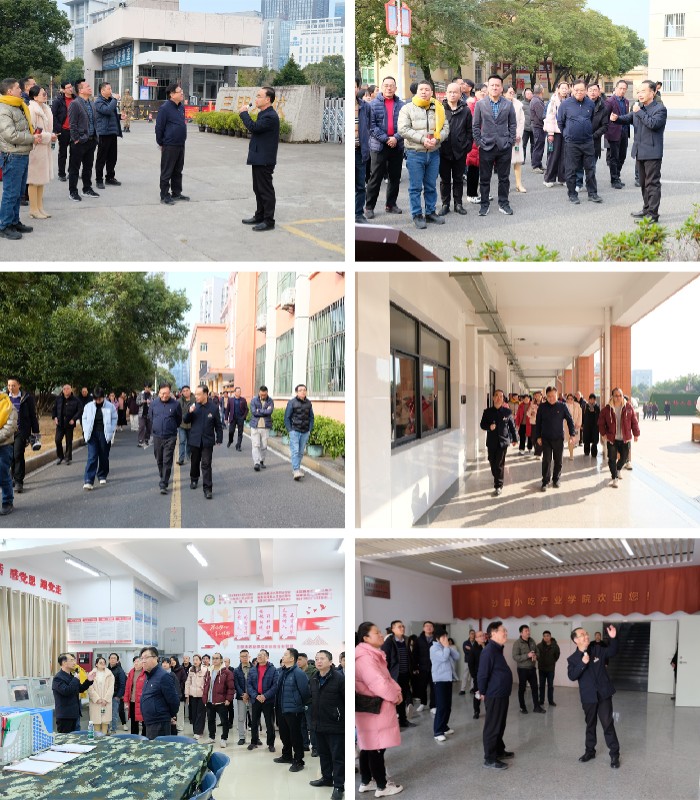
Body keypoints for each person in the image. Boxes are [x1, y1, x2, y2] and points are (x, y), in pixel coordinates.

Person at [355, 622, 404, 797]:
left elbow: (386, 678)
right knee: (376, 747)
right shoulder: (365, 658)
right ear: (366, 638)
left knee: (368, 746)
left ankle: (367, 781)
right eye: (376, 632)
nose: (381, 634)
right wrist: (395, 696)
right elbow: (379, 683)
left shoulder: (370, 655)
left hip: (371, 709)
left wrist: (397, 690)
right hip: (374, 708)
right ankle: (382, 786)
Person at [610, 80, 668, 224]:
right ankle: (646, 209)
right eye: (638, 91)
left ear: (653, 93)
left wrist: (639, 112)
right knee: (643, 183)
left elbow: (653, 124)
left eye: (643, 91)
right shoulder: (639, 108)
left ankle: (653, 214)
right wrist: (616, 119)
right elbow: (628, 119)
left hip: (652, 152)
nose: (640, 94)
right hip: (639, 151)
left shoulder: (660, 109)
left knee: (652, 184)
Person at [397, 80, 449, 229]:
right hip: (415, 153)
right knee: (415, 187)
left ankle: (431, 212)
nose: (424, 92)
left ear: (431, 92)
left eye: (427, 89)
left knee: (431, 186)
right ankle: (417, 214)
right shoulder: (407, 108)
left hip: (433, 153)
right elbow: (403, 129)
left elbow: (445, 127)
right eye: (421, 89)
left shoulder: (438, 107)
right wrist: (422, 140)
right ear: (417, 91)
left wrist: (437, 139)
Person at [567, 624, 621, 767]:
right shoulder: (573, 659)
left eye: (586, 634)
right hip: (588, 697)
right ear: (575, 640)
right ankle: (590, 751)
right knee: (590, 725)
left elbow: (613, 651)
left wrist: (613, 638)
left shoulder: (597, 649)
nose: (586, 636)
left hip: (604, 694)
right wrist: (582, 663)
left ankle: (614, 754)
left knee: (607, 724)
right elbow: (572, 676)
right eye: (582, 635)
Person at [0, 78, 43, 240]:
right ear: (9, 91)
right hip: (13, 155)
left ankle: (14, 221)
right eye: (18, 88)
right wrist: (32, 138)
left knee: (18, 193)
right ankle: (4, 226)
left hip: (22, 154)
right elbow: (10, 135)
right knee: (10, 193)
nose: (21, 90)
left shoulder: (17, 105)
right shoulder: (4, 109)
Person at [472, 74, 517, 217]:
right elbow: (475, 126)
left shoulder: (508, 104)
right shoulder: (480, 104)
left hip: (504, 146)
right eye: (492, 85)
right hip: (486, 146)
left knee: (504, 178)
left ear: (501, 88)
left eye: (497, 85)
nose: (495, 87)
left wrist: (510, 141)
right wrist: (479, 142)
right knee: (485, 178)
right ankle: (484, 204)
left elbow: (513, 124)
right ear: (488, 87)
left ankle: (504, 203)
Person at [238, 86, 280, 231]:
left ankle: (269, 221)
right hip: (258, 157)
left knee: (265, 190)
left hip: (264, 159)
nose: (256, 99)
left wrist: (244, 113)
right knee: (258, 189)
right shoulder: (263, 113)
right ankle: (260, 215)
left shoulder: (270, 116)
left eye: (259, 96)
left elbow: (254, 127)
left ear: (267, 99)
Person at [364, 76, 405, 220]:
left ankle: (391, 204)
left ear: (395, 88)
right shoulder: (372, 105)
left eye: (391, 85)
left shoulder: (401, 105)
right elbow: (372, 126)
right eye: (386, 85)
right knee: (375, 177)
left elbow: (405, 125)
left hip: (396, 144)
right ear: (381, 87)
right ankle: (369, 207)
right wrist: (386, 139)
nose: (389, 88)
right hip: (379, 146)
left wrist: (396, 138)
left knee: (395, 177)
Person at [557, 80, 603, 205]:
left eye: (582, 90)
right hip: (572, 143)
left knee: (590, 169)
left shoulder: (590, 104)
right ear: (572, 89)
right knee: (571, 170)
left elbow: (591, 119)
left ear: (585, 90)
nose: (579, 92)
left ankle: (592, 193)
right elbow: (560, 122)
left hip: (588, 142)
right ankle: (572, 194)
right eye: (576, 90)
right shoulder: (565, 104)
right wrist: (567, 134)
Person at [477, 620, 514, 769]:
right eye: (503, 631)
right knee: (492, 726)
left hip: (501, 693)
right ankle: (490, 758)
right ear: (493, 633)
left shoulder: (497, 649)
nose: (506, 633)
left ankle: (499, 750)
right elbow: (482, 674)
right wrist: (483, 692)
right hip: (494, 694)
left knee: (500, 724)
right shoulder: (489, 651)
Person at [309, 650, 344, 800]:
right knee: (323, 754)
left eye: (322, 658)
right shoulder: (314, 678)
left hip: (336, 724)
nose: (318, 661)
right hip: (318, 723)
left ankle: (339, 786)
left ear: (330, 662)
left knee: (337, 756)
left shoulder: (339, 679)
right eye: (317, 658)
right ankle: (327, 778)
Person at [437, 82, 472, 216]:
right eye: (450, 92)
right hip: (443, 150)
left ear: (460, 94)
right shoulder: (440, 109)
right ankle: (445, 204)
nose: (452, 94)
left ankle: (458, 204)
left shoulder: (465, 110)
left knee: (458, 179)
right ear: (446, 93)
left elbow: (469, 131)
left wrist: (466, 146)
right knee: (445, 180)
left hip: (460, 151)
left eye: (455, 92)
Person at [274, 648, 311, 772]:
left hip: (293, 710)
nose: (283, 656)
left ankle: (299, 760)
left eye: (285, 655)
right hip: (281, 708)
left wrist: (298, 704)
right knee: (284, 734)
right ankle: (287, 756)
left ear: (291, 658)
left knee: (295, 736)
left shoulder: (298, 673)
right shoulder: (282, 672)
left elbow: (305, 692)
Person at [183, 384, 223, 499]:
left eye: (198, 394)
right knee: (195, 462)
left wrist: (219, 438)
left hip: (207, 441)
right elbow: (185, 420)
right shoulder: (194, 406)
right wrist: (189, 412)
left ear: (205, 394)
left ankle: (208, 488)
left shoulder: (213, 408)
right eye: (195, 394)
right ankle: (194, 479)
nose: (196, 396)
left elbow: (218, 425)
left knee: (206, 464)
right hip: (195, 440)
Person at [598, 387, 640, 488]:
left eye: (620, 395)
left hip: (625, 438)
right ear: (612, 396)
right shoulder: (607, 409)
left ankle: (618, 469)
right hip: (612, 439)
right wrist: (603, 434)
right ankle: (615, 478)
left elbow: (634, 421)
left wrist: (636, 434)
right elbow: (600, 423)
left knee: (624, 458)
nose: (618, 397)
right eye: (616, 395)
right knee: (612, 459)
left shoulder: (628, 407)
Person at [535, 386, 575, 491]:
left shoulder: (562, 406)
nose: (551, 398)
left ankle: (556, 479)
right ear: (546, 396)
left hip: (558, 438)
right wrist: (538, 436)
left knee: (558, 460)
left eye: (553, 396)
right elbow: (538, 423)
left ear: (557, 395)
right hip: (546, 438)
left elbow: (570, 420)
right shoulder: (542, 407)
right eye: (549, 396)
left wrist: (572, 434)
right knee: (546, 460)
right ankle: (545, 481)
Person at [480, 389, 518, 496]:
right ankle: (497, 477)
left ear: (503, 399)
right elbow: (482, 425)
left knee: (499, 464)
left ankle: (498, 486)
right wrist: (489, 427)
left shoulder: (507, 412)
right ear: (493, 398)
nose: (498, 398)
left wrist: (515, 439)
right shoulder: (487, 412)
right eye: (496, 395)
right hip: (491, 442)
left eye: (501, 396)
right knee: (492, 462)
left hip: (503, 442)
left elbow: (512, 427)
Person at [26, 85, 56, 219]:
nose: (45, 95)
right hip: (35, 148)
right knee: (34, 179)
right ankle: (33, 209)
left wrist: (51, 136)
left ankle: (40, 207)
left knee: (41, 179)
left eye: (45, 93)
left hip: (44, 147)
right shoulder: (31, 109)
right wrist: (49, 136)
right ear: (35, 96)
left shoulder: (45, 108)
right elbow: (33, 130)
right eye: (43, 94)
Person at [155, 83, 189, 205]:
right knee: (167, 171)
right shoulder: (165, 108)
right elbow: (159, 127)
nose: (182, 93)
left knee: (178, 170)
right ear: (172, 94)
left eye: (182, 91)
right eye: (180, 92)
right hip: (169, 144)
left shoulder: (181, 107)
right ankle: (164, 195)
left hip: (180, 143)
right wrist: (161, 142)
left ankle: (176, 192)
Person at [67, 77, 100, 202]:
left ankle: (87, 188)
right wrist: (76, 139)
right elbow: (72, 124)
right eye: (87, 87)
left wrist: (96, 137)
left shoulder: (91, 103)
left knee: (88, 167)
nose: (90, 88)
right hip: (79, 142)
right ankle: (73, 191)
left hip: (91, 140)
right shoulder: (75, 104)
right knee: (74, 168)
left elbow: (94, 121)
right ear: (80, 90)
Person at [6, 377, 40, 495]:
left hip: (21, 431)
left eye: (13, 385)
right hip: (8, 432)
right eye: (9, 385)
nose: (11, 388)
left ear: (19, 385)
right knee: (10, 456)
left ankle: (19, 481)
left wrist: (36, 432)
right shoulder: (5, 398)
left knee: (18, 454)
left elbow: (32, 415)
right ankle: (12, 477)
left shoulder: (26, 398)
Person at [139, 646, 180, 740]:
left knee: (158, 748)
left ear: (155, 658)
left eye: (146, 657)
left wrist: (169, 715)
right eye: (142, 658)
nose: (143, 661)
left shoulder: (163, 676)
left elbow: (174, 701)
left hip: (159, 723)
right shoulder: (148, 675)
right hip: (149, 722)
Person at [381, 620, 416, 729]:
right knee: (394, 699)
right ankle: (394, 723)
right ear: (393, 629)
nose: (402, 628)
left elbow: (410, 656)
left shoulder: (406, 640)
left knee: (403, 697)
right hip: (395, 675)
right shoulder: (389, 642)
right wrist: (386, 676)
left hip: (406, 673)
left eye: (403, 626)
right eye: (399, 627)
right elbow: (385, 660)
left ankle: (403, 721)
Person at [149, 382, 182, 495]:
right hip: (157, 436)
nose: (164, 395)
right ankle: (162, 475)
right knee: (159, 459)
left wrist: (171, 427)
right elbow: (151, 417)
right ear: (159, 393)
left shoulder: (175, 404)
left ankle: (164, 483)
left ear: (170, 393)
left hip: (170, 436)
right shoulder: (153, 404)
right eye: (162, 393)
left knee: (167, 460)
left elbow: (178, 420)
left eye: (166, 393)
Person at [81, 387, 117, 490]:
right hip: (92, 434)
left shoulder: (110, 406)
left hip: (104, 434)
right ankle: (88, 480)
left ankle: (102, 475)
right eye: (96, 399)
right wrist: (85, 429)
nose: (98, 401)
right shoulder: (88, 406)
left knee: (103, 456)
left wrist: (111, 429)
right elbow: (84, 418)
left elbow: (114, 418)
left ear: (103, 397)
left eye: (99, 399)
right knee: (92, 456)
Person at [52, 653, 96, 733]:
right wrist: (76, 679)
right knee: (65, 739)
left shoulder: (71, 676)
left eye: (74, 660)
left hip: (74, 714)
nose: (74, 663)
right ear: (64, 663)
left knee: (75, 738)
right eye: (71, 660)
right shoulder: (58, 678)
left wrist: (88, 681)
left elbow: (80, 689)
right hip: (65, 716)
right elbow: (66, 691)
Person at [430, 628, 459, 743]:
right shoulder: (433, 648)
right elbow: (443, 657)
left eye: (446, 636)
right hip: (439, 680)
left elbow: (457, 657)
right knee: (441, 706)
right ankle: (437, 731)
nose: (446, 639)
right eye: (443, 637)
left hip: (448, 679)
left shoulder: (445, 647)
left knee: (447, 706)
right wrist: (446, 647)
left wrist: (448, 647)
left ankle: (444, 726)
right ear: (437, 639)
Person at [247, 648, 278, 752]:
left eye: (262, 654)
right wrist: (256, 696)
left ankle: (271, 744)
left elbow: (275, 685)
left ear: (267, 657)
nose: (259, 656)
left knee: (269, 723)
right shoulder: (252, 670)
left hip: (268, 700)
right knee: (254, 722)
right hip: (256, 700)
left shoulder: (273, 670)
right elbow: (249, 685)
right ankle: (254, 741)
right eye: (258, 654)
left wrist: (265, 696)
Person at [94, 81, 123, 189]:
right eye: (109, 89)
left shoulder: (110, 101)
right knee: (101, 158)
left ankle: (110, 177)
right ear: (102, 91)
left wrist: (120, 117)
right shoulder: (98, 102)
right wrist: (115, 99)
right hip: (104, 133)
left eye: (111, 89)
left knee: (112, 157)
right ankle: (99, 179)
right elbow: (106, 111)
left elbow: (111, 114)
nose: (111, 91)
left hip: (112, 133)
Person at [202, 652, 234, 749]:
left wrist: (228, 699)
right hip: (210, 701)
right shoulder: (209, 671)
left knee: (224, 721)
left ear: (221, 660)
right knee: (211, 720)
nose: (214, 660)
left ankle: (224, 739)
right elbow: (206, 685)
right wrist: (205, 698)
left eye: (217, 658)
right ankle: (211, 737)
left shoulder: (227, 672)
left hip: (221, 701)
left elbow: (231, 688)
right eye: (213, 658)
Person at [512, 624, 546, 714]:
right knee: (522, 689)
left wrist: (536, 656)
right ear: (521, 633)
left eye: (528, 630)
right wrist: (527, 655)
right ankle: (522, 707)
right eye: (526, 631)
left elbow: (537, 651)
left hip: (532, 668)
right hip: (522, 669)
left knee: (535, 688)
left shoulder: (532, 641)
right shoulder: (517, 643)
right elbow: (515, 657)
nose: (528, 632)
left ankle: (536, 707)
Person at [284, 384, 314, 481]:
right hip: (295, 430)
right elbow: (287, 418)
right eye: (300, 390)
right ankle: (296, 470)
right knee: (295, 450)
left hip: (305, 431)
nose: (303, 392)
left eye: (304, 390)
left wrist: (309, 429)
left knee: (301, 452)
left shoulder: (309, 403)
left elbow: (311, 417)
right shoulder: (291, 402)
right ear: (296, 392)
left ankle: (296, 468)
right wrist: (290, 430)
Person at [543, 81, 570, 187]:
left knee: (564, 156)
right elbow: (550, 118)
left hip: (565, 131)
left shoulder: (569, 100)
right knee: (553, 155)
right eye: (562, 88)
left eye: (566, 88)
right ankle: (549, 178)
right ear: (558, 89)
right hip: (554, 132)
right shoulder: (553, 101)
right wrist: (550, 133)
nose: (564, 90)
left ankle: (562, 178)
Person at [605, 80, 630, 190]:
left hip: (624, 132)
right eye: (620, 88)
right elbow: (605, 118)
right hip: (614, 133)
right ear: (615, 88)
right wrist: (607, 131)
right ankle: (614, 179)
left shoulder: (626, 101)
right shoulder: (609, 101)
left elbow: (627, 117)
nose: (622, 90)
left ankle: (617, 176)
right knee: (614, 157)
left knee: (622, 156)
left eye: (624, 89)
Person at [51, 80, 75, 183]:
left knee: (74, 153)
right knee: (63, 153)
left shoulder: (76, 99)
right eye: (68, 87)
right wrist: (58, 129)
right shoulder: (58, 101)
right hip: (64, 130)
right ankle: (61, 174)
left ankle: (72, 172)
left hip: (74, 130)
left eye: (71, 87)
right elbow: (53, 115)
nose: (70, 89)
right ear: (63, 90)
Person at [504, 86, 526, 193]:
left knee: (517, 161)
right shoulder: (501, 104)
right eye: (510, 92)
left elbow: (522, 121)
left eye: (513, 92)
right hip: (504, 137)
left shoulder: (518, 104)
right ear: (504, 93)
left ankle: (518, 184)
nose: (512, 94)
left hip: (517, 137)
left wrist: (518, 134)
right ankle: (505, 184)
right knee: (505, 162)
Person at [52, 384, 81, 465]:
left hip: (69, 424)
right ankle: (60, 456)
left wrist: (74, 419)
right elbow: (54, 409)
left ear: (71, 390)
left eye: (68, 389)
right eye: (64, 389)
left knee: (69, 441)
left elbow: (80, 410)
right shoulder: (58, 399)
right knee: (57, 440)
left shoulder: (76, 400)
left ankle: (68, 457)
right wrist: (55, 417)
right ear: (62, 390)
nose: (66, 390)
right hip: (60, 424)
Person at [355, 87, 372, 222]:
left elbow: (370, 126)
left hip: (360, 151)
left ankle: (358, 214)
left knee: (360, 186)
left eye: (354, 86)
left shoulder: (365, 107)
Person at [0, 391, 17, 516]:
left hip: (4, 445)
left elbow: (10, 428)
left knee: (2, 473)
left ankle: (7, 501)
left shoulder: (9, 406)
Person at [88, 656, 115, 735]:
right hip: (95, 702)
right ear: (96, 664)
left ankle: (104, 737)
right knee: (96, 721)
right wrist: (97, 699)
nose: (103, 664)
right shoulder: (91, 674)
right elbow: (90, 688)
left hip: (106, 702)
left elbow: (111, 688)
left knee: (105, 721)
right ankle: (97, 738)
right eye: (100, 662)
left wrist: (105, 699)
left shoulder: (110, 674)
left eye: (104, 663)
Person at [250, 384, 274, 472]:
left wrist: (259, 410)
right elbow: (253, 412)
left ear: (267, 393)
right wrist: (264, 411)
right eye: (261, 394)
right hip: (255, 426)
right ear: (259, 393)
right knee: (255, 445)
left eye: (264, 395)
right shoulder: (254, 400)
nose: (263, 396)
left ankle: (261, 461)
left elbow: (269, 412)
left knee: (264, 446)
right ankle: (256, 463)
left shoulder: (270, 401)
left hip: (265, 427)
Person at [185, 653, 207, 740]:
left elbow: (207, 683)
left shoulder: (205, 669)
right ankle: (195, 731)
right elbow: (188, 682)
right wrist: (187, 695)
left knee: (200, 714)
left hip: (201, 695)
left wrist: (205, 692)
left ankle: (199, 732)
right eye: (194, 660)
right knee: (194, 713)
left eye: (197, 660)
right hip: (192, 695)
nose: (195, 661)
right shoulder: (191, 669)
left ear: (200, 661)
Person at [233, 649, 252, 745]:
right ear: (239, 658)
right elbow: (236, 684)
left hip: (253, 697)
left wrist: (250, 694)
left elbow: (256, 683)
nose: (244, 658)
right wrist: (243, 694)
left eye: (246, 656)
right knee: (241, 718)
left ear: (249, 657)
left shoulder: (254, 669)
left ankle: (255, 737)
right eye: (242, 656)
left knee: (254, 717)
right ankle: (241, 737)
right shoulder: (236, 670)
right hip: (241, 698)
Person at [124, 655, 147, 735]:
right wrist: (126, 700)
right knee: (133, 721)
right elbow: (127, 687)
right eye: (134, 662)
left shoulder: (146, 672)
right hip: (132, 701)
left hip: (143, 702)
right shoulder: (131, 672)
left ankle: (144, 738)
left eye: (138, 661)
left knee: (144, 721)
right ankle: (134, 737)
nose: (136, 663)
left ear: (142, 662)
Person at [536, 631, 560, 707]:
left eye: (547, 636)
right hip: (542, 669)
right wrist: (540, 661)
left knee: (550, 686)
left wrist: (552, 661)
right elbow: (537, 656)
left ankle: (551, 701)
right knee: (541, 685)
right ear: (543, 637)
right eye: (544, 636)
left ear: (550, 636)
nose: (546, 637)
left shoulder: (555, 646)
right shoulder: (539, 646)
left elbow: (557, 655)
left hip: (550, 669)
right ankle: (541, 700)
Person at [467, 631, 486, 720]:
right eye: (480, 636)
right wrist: (474, 675)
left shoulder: (488, 646)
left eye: (483, 635)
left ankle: (489, 710)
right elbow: (470, 664)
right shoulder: (473, 649)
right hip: (478, 676)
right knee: (477, 693)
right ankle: (476, 711)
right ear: (476, 638)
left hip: (489, 675)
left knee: (488, 694)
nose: (483, 637)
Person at [108, 653, 127, 734]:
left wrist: (118, 696)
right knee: (106, 713)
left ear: (117, 660)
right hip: (107, 696)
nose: (112, 659)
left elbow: (122, 684)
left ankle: (113, 729)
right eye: (111, 658)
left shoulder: (120, 671)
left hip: (115, 696)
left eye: (114, 658)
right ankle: (107, 729)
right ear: (109, 660)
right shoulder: (106, 670)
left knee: (114, 714)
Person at [529, 84, 546, 172]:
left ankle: (538, 164)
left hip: (538, 126)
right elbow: (541, 115)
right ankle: (535, 166)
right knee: (538, 146)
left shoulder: (536, 100)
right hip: (538, 126)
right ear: (542, 90)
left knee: (540, 146)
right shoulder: (536, 101)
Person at [177, 385, 192, 465]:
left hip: (192, 424)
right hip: (182, 424)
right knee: (182, 441)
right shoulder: (179, 401)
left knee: (190, 441)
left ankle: (189, 455)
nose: (186, 392)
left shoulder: (195, 400)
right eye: (184, 391)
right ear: (182, 393)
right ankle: (181, 459)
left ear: (190, 391)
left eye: (187, 390)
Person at [582, 393, 601, 458]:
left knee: (594, 441)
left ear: (595, 400)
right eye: (591, 399)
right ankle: (586, 451)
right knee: (586, 440)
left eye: (593, 399)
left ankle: (594, 453)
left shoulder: (597, 407)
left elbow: (599, 417)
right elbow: (582, 416)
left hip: (595, 427)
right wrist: (582, 424)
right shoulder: (585, 407)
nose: (592, 400)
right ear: (589, 399)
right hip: (587, 426)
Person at [565, 392, 582, 459]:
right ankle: (571, 453)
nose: (570, 400)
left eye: (571, 399)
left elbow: (580, 415)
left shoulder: (577, 406)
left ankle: (571, 453)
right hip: (566, 425)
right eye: (568, 399)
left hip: (575, 425)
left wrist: (578, 423)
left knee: (572, 439)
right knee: (569, 439)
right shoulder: (564, 406)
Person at [459, 630, 476, 695]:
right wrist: (473, 650)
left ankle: (472, 689)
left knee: (473, 676)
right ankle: (462, 690)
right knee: (465, 676)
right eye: (471, 633)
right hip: (467, 661)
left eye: (474, 634)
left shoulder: (476, 642)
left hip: (474, 662)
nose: (473, 635)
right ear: (469, 634)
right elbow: (466, 652)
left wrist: (470, 649)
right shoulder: (465, 643)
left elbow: (477, 652)